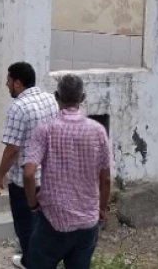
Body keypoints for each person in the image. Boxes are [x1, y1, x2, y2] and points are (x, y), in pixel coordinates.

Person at [23, 74, 112, 269]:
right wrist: (102, 209)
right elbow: (105, 179)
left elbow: (29, 173)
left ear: (56, 96)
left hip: (52, 221)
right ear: (83, 98)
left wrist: (32, 203)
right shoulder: (98, 131)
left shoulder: (45, 130)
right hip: (87, 222)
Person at [0, 62, 59, 269]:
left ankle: (32, 263)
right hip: (48, 177)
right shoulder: (50, 100)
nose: (6, 84)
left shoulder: (18, 108)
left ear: (18, 83)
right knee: (45, 226)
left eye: (9, 80)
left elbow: (12, 149)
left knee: (26, 227)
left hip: (24, 181)